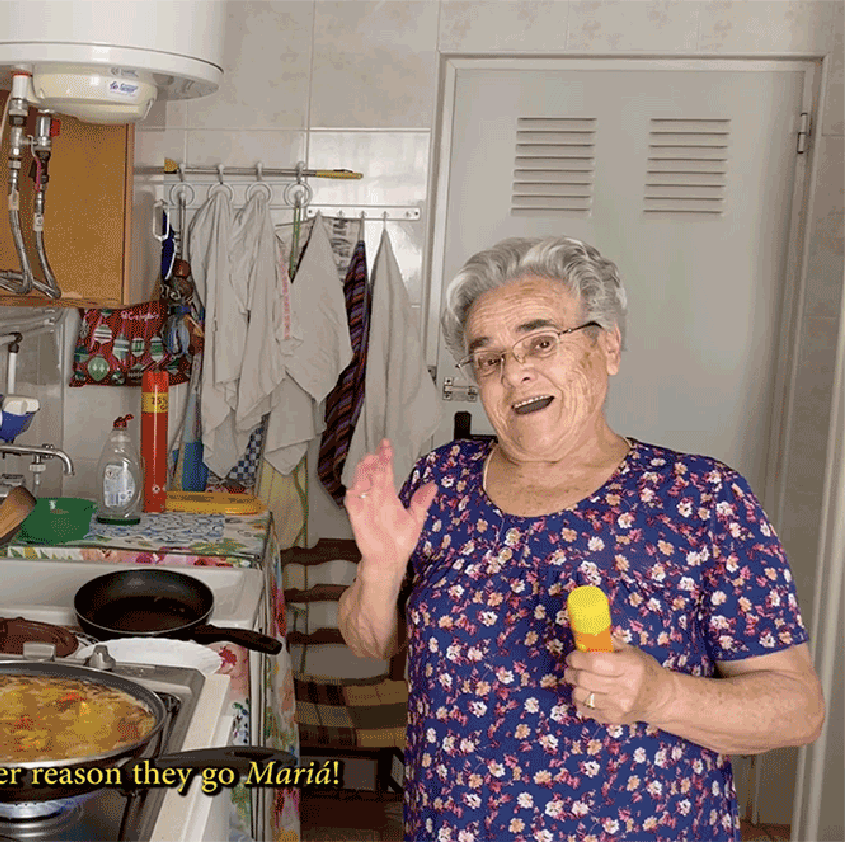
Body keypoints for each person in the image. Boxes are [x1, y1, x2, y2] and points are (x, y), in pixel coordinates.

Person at [337, 235, 823, 841]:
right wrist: (379, 569)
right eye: (489, 358)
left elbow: (798, 709)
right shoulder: (444, 480)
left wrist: (660, 696)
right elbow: (369, 643)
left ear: (609, 346)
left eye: (541, 342)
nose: (515, 372)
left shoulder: (702, 500)